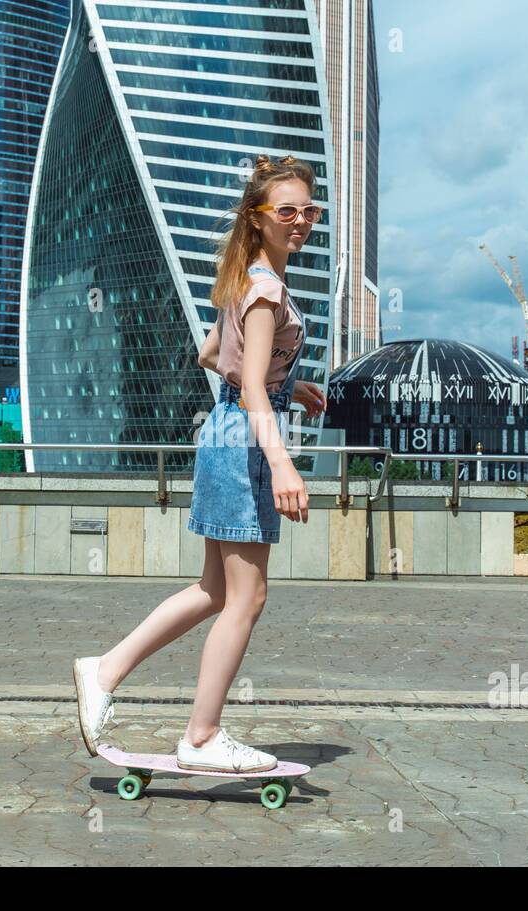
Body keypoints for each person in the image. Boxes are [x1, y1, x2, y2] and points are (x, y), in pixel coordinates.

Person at [72, 154, 326, 772]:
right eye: (286, 210)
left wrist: (290, 387)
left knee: (216, 589)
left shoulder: (243, 279)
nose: (300, 221)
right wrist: (284, 463)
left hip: (222, 434)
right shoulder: (266, 289)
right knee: (247, 596)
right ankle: (203, 735)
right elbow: (252, 389)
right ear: (258, 217)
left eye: (308, 210)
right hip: (244, 446)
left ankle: (105, 670)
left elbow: (211, 354)